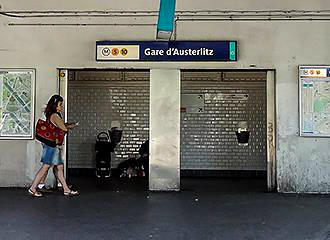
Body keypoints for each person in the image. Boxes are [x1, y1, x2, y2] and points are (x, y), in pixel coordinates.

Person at [28, 95, 79, 197]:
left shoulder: (49, 114)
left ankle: (66, 189)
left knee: (59, 167)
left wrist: (67, 125)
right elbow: (63, 128)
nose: (61, 107)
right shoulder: (55, 115)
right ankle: (33, 188)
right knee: (46, 167)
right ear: (55, 105)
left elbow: (60, 126)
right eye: (60, 105)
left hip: (52, 145)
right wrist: (71, 126)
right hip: (51, 146)